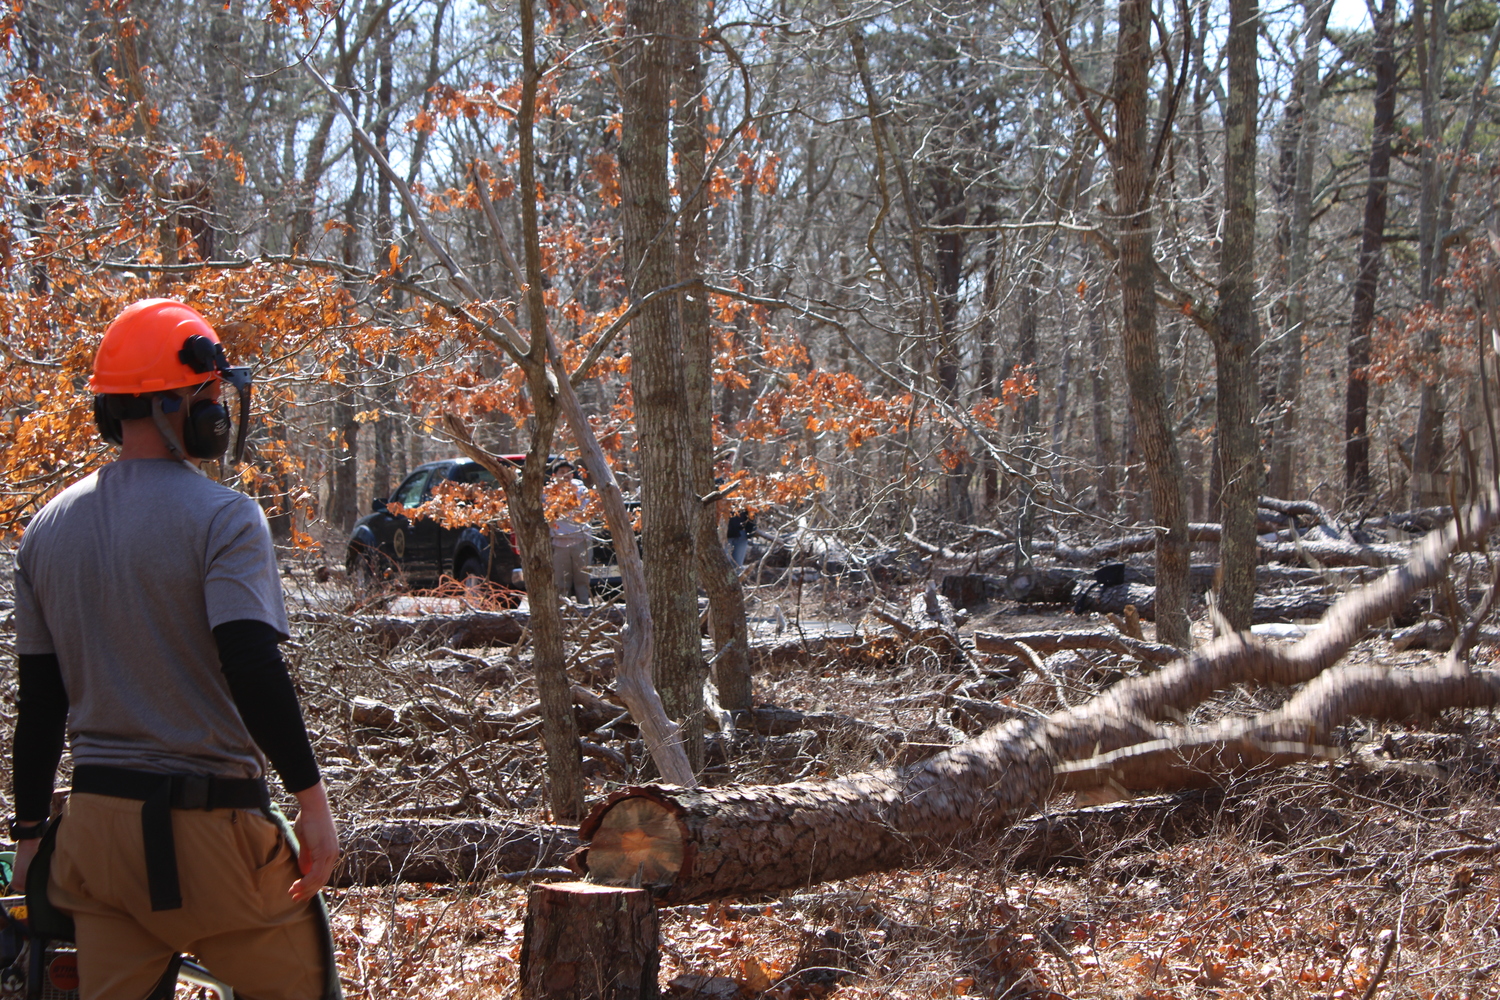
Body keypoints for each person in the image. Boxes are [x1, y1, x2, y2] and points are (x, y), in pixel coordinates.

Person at [9, 299, 340, 1000]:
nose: (217, 410)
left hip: (97, 840)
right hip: (215, 835)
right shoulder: (225, 518)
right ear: (185, 405)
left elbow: (39, 704)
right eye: (211, 395)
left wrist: (31, 833)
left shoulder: (45, 530)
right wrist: (311, 802)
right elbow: (249, 663)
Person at [549, 459, 593, 604]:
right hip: (559, 544)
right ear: (554, 475)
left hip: (581, 541)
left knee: (583, 583)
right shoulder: (548, 493)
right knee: (561, 585)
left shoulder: (581, 491)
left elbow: (586, 512)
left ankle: (586, 617)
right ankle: (563, 621)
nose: (565, 475)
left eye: (568, 472)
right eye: (562, 472)